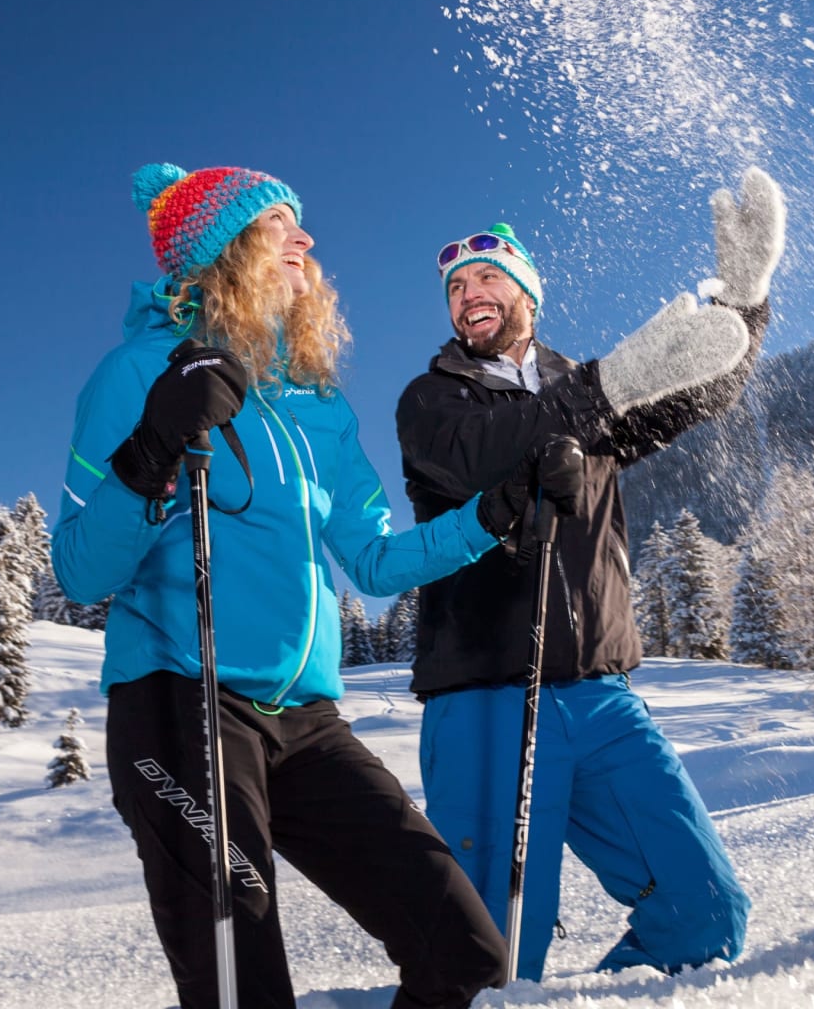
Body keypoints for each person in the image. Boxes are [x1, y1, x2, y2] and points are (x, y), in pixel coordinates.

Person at [52, 161, 584, 1009]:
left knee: (466, 956)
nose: (303, 237)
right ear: (220, 249)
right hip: (182, 708)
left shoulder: (315, 402)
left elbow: (373, 557)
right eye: (276, 223)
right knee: (244, 989)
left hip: (305, 722)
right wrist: (151, 450)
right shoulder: (140, 371)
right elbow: (81, 569)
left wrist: (494, 513)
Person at [394, 167, 787, 979]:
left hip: (601, 699)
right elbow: (482, 459)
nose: (468, 294)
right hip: (485, 701)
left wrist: (746, 303)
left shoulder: (588, 391)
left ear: (528, 294)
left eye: (487, 277)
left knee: (703, 913)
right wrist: (607, 386)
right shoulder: (433, 401)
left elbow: (700, 391)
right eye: (456, 287)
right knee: (494, 959)